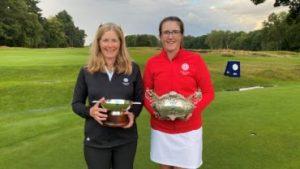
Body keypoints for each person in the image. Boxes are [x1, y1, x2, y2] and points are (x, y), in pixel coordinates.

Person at [143, 16, 215, 169]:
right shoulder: (152, 63)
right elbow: (145, 93)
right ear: (160, 36)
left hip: (189, 129)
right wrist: (156, 112)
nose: (170, 36)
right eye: (166, 32)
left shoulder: (195, 60)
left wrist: (192, 111)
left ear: (181, 35)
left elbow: (208, 92)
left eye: (175, 32)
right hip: (161, 129)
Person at [72, 22, 143, 169]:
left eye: (114, 40)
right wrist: (90, 111)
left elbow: (138, 100)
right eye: (105, 40)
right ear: (98, 43)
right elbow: (76, 104)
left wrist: (133, 115)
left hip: (125, 139)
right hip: (96, 139)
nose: (110, 45)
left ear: (120, 43)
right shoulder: (87, 71)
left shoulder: (133, 68)